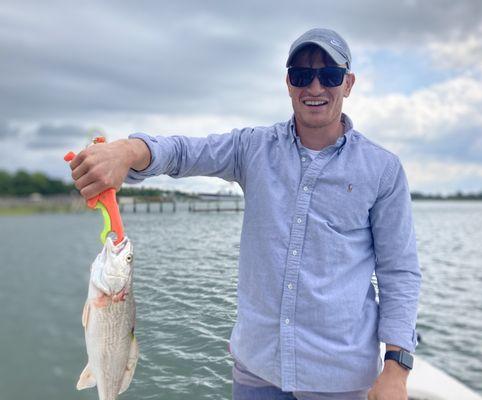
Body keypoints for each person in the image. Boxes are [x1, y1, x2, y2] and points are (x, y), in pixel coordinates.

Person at [69, 28, 421, 400]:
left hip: (340, 379)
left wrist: (396, 368)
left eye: (329, 75)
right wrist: (127, 151)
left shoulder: (383, 169)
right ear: (288, 83)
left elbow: (399, 271)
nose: (315, 87)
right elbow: (183, 151)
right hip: (257, 372)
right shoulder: (252, 148)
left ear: (348, 84)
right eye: (302, 75)